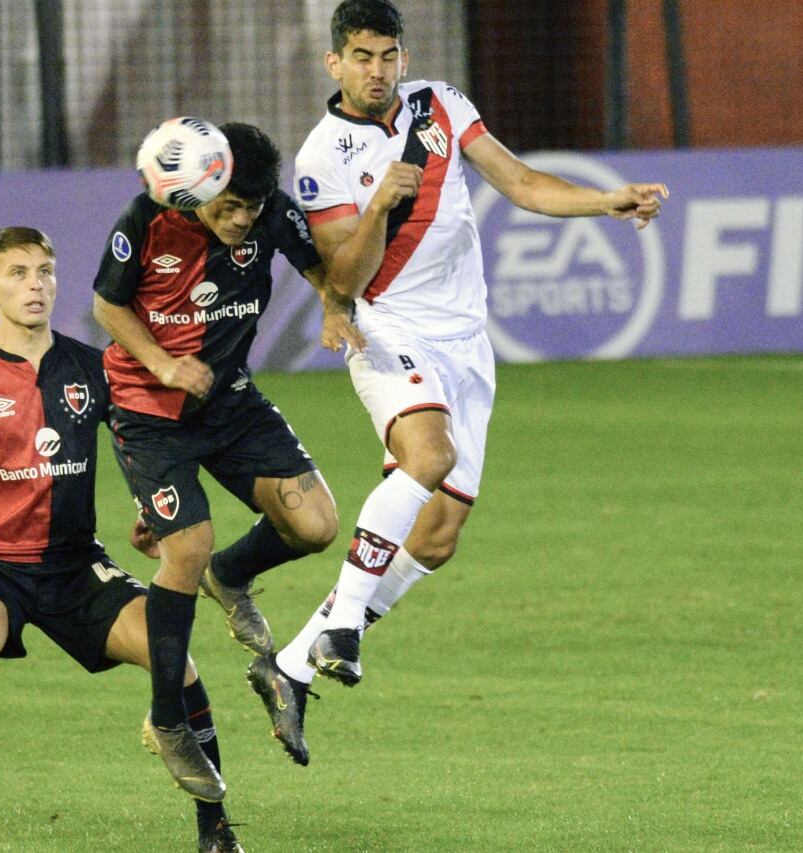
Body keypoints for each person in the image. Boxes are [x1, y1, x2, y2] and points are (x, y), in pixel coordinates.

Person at [250, 0, 670, 762]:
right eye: (362, 57)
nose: (377, 71)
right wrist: (381, 202)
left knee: (438, 536)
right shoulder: (322, 158)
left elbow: (520, 181)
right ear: (334, 64)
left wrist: (605, 201)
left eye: (388, 56)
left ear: (403, 59)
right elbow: (343, 279)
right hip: (387, 327)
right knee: (428, 456)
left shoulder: (441, 104)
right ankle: (342, 625)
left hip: (466, 341)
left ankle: (287, 664)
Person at [0, 226, 244, 853]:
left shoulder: (94, 369)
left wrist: (153, 510)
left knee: (174, 657)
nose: (35, 285)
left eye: (44, 271)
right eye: (18, 274)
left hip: (74, 564)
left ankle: (215, 830)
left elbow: (143, 448)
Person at [92, 122, 361, 770]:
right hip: (149, 409)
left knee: (317, 523)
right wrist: (162, 363)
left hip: (230, 400)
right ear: (201, 189)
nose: (242, 219)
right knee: (185, 545)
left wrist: (332, 305)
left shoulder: (271, 214)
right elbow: (107, 305)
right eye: (229, 206)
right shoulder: (148, 220)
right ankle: (168, 717)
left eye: (253, 207)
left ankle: (231, 575)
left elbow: (320, 267)